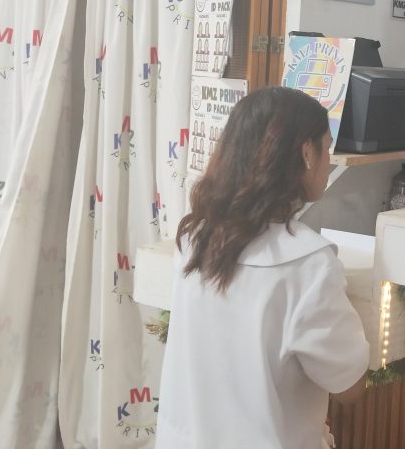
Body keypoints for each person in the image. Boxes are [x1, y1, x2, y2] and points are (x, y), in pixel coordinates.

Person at [157, 87, 369, 449]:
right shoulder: (308, 264)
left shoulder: (197, 235)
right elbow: (349, 384)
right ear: (306, 153)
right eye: (327, 147)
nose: (328, 159)